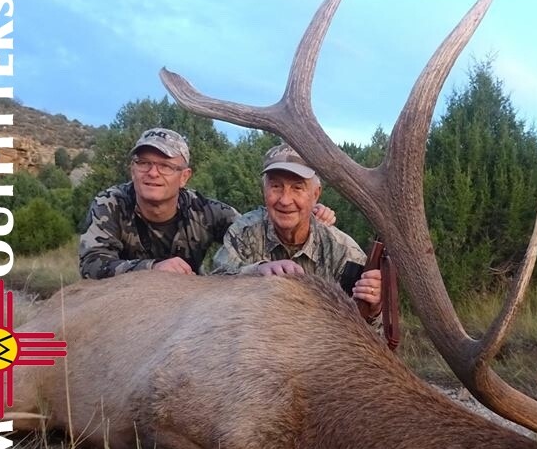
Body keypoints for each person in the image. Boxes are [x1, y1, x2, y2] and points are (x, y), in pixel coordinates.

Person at [78, 128, 336, 279]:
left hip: (183, 310)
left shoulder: (207, 211)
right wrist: (153, 268)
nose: (153, 173)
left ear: (184, 177)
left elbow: (255, 229)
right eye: (143, 163)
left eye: (166, 166)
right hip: (121, 306)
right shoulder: (110, 203)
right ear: (132, 169)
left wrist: (306, 215)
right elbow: (91, 265)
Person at [212, 143, 383, 321]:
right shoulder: (244, 232)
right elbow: (213, 285)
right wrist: (257, 271)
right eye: (276, 186)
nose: (285, 200)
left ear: (315, 195)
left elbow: (372, 333)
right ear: (264, 190)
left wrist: (374, 310)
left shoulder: (344, 253)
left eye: (297, 187)